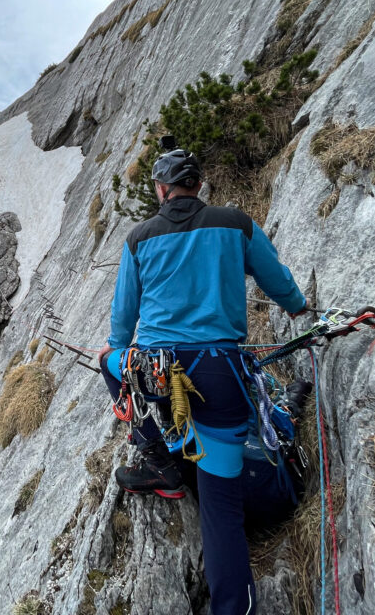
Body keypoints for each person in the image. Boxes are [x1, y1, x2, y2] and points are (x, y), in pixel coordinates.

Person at [97, 142, 307, 615]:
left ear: (162, 189)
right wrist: (299, 308)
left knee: (107, 362)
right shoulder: (235, 224)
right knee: (222, 514)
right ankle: (232, 607)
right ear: (197, 185)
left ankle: (157, 455)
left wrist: (117, 347)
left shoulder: (139, 237)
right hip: (218, 373)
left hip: (152, 372)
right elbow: (276, 279)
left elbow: (122, 316)